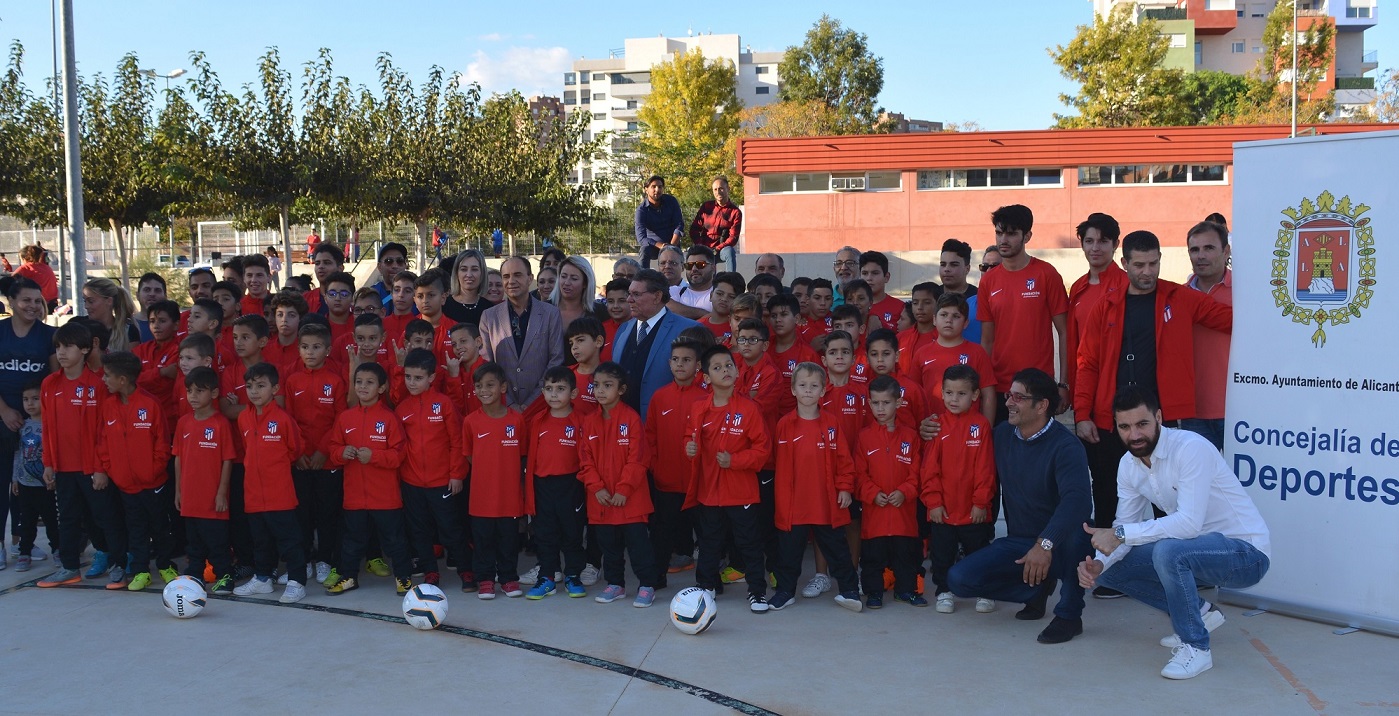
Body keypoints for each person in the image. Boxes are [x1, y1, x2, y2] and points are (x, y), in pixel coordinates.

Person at [1078, 387, 1271, 680]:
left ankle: (1196, 647)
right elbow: (1125, 523)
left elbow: (1187, 525)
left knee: (1168, 551)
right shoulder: (1128, 465)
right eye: (1125, 427)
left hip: (1245, 554)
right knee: (1109, 570)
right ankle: (1201, 613)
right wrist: (1098, 564)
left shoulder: (1191, 448)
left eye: (1142, 424)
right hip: (1195, 553)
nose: (1134, 435)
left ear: (1158, 417)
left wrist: (1119, 533)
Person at [1074, 230, 1232, 569]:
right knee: (1108, 496)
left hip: (1165, 421)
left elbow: (1233, 320)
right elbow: (1087, 362)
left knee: (1171, 502)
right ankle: (1111, 569)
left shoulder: (1180, 297)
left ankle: (1183, 568)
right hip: (1111, 419)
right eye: (1140, 265)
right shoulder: (1106, 306)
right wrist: (1082, 413)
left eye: (1154, 264)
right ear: (1124, 263)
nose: (1148, 272)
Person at [946, 368, 1091, 645]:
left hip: (1060, 542)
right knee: (959, 579)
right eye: (1008, 395)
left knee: (1078, 537)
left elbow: (1078, 501)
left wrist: (1045, 544)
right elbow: (964, 453)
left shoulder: (1066, 446)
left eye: (1018, 397)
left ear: (1042, 406)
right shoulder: (1002, 435)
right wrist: (932, 428)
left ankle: (1070, 616)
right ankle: (1036, 587)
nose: (1009, 402)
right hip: (1020, 542)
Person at [37, 322, 127, 589]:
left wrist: (100, 467)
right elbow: (47, 428)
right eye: (58, 347)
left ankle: (120, 564)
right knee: (68, 518)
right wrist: (49, 463)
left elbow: (104, 431)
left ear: (86, 349)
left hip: (91, 468)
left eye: (68, 346)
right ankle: (69, 567)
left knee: (105, 517)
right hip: (63, 468)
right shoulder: (49, 384)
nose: (62, 352)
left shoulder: (98, 385)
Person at [768, 361, 863, 612]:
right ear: (793, 390)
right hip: (794, 504)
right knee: (789, 552)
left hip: (825, 502)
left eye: (814, 386)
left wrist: (844, 487)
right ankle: (785, 591)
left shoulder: (831, 424)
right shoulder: (784, 425)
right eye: (802, 385)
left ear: (823, 391)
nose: (808, 390)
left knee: (837, 548)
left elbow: (845, 459)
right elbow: (777, 462)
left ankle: (849, 591)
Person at [686, 345, 773, 613]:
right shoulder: (699, 408)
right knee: (709, 542)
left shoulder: (749, 409)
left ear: (737, 370)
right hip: (709, 491)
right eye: (717, 367)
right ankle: (706, 587)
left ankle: (757, 592)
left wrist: (735, 461)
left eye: (729, 365)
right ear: (706, 377)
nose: (725, 370)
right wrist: (689, 449)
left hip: (741, 491)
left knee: (749, 543)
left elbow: (763, 450)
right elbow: (688, 438)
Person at [324, 363, 413, 596]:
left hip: (385, 497)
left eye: (370, 382)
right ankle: (349, 577)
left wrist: (374, 456)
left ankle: (403, 577)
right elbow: (333, 448)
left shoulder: (389, 419)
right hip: (354, 496)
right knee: (351, 541)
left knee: (395, 541)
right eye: (359, 382)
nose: (363, 386)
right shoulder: (345, 418)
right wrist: (341, 453)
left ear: (382, 387)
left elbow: (399, 455)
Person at [977, 206, 1069, 422]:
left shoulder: (1046, 274)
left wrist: (1064, 383)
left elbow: (1065, 332)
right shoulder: (988, 281)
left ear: (1027, 236)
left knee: (1038, 453)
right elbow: (987, 341)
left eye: (1011, 233)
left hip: (1038, 386)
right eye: (999, 233)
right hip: (1001, 387)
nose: (1003, 240)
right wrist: (983, 386)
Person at [579, 362, 658, 607]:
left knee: (638, 547)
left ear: (621, 389)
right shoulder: (589, 422)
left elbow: (638, 458)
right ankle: (615, 584)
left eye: (607, 385)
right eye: (596, 386)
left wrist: (624, 489)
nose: (600, 391)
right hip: (601, 501)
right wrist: (597, 487)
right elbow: (584, 460)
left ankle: (646, 585)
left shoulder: (632, 419)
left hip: (631, 500)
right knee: (609, 546)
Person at [94, 352, 173, 591]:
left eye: (107, 376)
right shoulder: (108, 406)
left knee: (160, 526)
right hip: (126, 485)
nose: (103, 380)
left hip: (153, 482)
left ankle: (166, 566)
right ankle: (141, 571)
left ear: (123, 380)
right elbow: (103, 442)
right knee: (135, 529)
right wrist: (113, 470)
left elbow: (162, 442)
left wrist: (153, 471)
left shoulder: (150, 404)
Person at [921, 365, 996, 614]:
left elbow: (985, 469)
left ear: (975, 395)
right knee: (942, 555)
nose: (954, 399)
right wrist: (933, 502)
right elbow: (929, 470)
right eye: (949, 393)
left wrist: (980, 502)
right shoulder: (936, 426)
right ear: (941, 393)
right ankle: (944, 591)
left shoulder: (981, 426)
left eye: (961, 393)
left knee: (978, 553)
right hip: (943, 511)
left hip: (973, 510)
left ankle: (984, 591)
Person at [232, 362, 309, 603]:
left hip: (280, 494)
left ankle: (296, 582)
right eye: (250, 386)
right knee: (261, 541)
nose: (254, 391)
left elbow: (296, 449)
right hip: (254, 494)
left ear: (275, 388)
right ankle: (263, 579)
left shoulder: (283, 419)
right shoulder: (243, 418)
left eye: (261, 386)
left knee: (289, 540)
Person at [284, 322, 349, 586]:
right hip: (300, 459)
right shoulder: (292, 380)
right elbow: (288, 420)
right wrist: (298, 452)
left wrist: (323, 450)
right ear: (298, 349)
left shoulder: (335, 381)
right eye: (305, 347)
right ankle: (304, 560)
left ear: (328, 350)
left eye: (316, 347)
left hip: (327, 460)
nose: (310, 352)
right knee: (302, 513)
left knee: (327, 513)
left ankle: (324, 560)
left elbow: (340, 419)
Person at [855, 375, 924, 609]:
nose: (881, 408)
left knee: (906, 556)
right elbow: (859, 475)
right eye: (875, 403)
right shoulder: (864, 438)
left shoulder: (911, 437)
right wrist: (872, 493)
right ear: (869, 403)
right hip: (875, 515)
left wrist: (905, 491)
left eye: (886, 402)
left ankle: (905, 591)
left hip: (903, 514)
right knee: (873, 558)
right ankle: (874, 592)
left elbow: (917, 473)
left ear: (899, 402)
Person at [0, 276, 55, 562]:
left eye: (38, 300)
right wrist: (5, 411)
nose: (33, 306)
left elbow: (55, 380)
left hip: (35, 423)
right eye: (26, 300)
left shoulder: (48, 336)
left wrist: (42, 417)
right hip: (4, 418)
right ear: (11, 302)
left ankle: (22, 542)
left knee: (27, 486)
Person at [462, 362, 527, 599]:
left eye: (490, 385)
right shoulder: (470, 421)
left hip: (509, 497)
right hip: (481, 499)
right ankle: (486, 580)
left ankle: (509, 579)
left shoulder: (516, 420)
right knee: (483, 542)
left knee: (508, 541)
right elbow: (469, 455)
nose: (484, 390)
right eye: (479, 386)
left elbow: (521, 455)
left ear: (503, 387)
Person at [645, 338, 709, 582]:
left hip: (699, 482)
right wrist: (655, 467)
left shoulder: (706, 398)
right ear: (669, 363)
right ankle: (654, 579)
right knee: (661, 532)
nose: (680, 364)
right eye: (676, 359)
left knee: (705, 534)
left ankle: (709, 581)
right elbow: (649, 437)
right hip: (666, 480)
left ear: (698, 365)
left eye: (687, 360)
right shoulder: (659, 398)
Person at [524, 366, 587, 599]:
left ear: (573, 394)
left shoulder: (581, 421)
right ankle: (547, 577)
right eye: (549, 389)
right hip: (543, 486)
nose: (553, 394)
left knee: (572, 533)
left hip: (571, 485)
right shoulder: (537, 421)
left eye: (560, 389)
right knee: (545, 534)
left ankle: (572, 575)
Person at [173, 367, 236, 594]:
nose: (193, 396)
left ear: (214, 393)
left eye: (200, 391)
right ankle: (195, 576)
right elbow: (178, 459)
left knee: (217, 542)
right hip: (190, 498)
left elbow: (227, 460)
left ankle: (225, 576)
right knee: (194, 543)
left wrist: (221, 493)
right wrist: (179, 491)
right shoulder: (183, 423)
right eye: (189, 390)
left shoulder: (220, 424)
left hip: (212, 500)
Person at [479, 256, 566, 412]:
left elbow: (556, 359)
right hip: (503, 406)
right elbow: (487, 364)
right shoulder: (488, 316)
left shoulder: (550, 314)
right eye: (506, 276)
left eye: (517, 275)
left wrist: (533, 401)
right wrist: (509, 403)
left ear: (530, 278)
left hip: (542, 405)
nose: (511, 281)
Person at [611, 269, 700, 420]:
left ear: (657, 296)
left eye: (636, 294)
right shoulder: (623, 329)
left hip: (666, 425)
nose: (629, 300)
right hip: (623, 427)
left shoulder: (688, 331)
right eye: (629, 293)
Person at [1182, 220, 1233, 450]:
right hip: (1194, 412)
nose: (1200, 256)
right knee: (1200, 484)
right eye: (1195, 249)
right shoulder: (1178, 298)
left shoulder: (1247, 291)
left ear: (1226, 251)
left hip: (1238, 410)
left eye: (1209, 248)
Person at [1066, 213, 1126, 407]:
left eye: (1103, 241)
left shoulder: (1126, 284)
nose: (1095, 248)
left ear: (1116, 244)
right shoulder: (1077, 287)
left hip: (1119, 384)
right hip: (1085, 385)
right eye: (1089, 241)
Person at [9, 381, 55, 572]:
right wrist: (14, 478)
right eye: (26, 399)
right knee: (26, 521)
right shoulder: (21, 426)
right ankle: (24, 553)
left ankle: (59, 550)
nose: (30, 404)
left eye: (35, 399)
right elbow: (18, 453)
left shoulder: (51, 425)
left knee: (52, 520)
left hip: (45, 484)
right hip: (25, 484)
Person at [690, 176, 743, 269]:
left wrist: (717, 248)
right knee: (692, 253)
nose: (718, 192)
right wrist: (701, 245)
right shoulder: (706, 207)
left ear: (728, 189)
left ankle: (731, 281)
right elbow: (694, 230)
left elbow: (733, 237)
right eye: (715, 189)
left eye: (721, 188)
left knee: (730, 252)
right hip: (704, 249)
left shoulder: (735, 212)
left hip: (721, 250)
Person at [634, 175, 684, 268]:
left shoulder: (671, 201)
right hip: (653, 247)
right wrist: (661, 246)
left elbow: (679, 225)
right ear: (646, 189)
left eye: (660, 187)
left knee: (679, 258)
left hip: (673, 243)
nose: (657, 190)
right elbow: (641, 237)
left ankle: (676, 280)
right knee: (644, 250)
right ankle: (643, 278)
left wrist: (670, 247)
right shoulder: (641, 210)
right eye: (653, 187)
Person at [82, 278, 139, 353]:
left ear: (109, 301)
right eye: (85, 301)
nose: (86, 306)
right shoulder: (81, 327)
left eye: (91, 301)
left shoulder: (128, 331)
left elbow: (132, 362)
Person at [443, 249, 492, 326]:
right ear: (456, 273)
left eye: (474, 269)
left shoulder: (490, 309)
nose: (469, 275)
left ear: (482, 273)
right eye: (463, 269)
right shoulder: (443, 306)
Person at [668, 246, 717, 321]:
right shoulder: (676, 291)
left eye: (700, 264)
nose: (694, 269)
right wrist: (705, 314)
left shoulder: (719, 295)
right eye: (689, 265)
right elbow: (664, 304)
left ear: (713, 268)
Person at [859, 251, 905, 331]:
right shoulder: (853, 306)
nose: (869, 278)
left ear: (886, 277)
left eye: (875, 273)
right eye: (865, 273)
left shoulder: (900, 307)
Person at [550, 255, 600, 328]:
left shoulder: (599, 312)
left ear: (585, 283)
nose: (567, 283)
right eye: (563, 276)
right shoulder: (544, 309)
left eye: (574, 278)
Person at [13, 246, 57, 312]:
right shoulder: (47, 268)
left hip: (35, 304)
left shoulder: (25, 268)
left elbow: (9, 282)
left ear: (24, 258)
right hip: (52, 304)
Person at [368, 243, 409, 309]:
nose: (395, 266)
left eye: (400, 261)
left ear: (405, 265)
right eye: (389, 261)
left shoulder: (417, 293)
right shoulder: (371, 295)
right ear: (379, 267)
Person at [133, 273, 168, 343]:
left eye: (157, 290)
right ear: (137, 295)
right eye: (147, 290)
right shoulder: (127, 324)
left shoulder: (174, 324)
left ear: (165, 296)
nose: (152, 294)